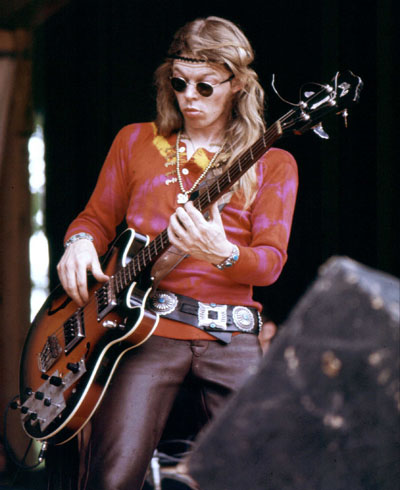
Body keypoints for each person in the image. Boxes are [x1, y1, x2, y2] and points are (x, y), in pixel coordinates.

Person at [56, 16, 298, 490]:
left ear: (237, 85)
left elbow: (269, 264)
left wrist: (223, 253)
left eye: (205, 87)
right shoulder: (135, 141)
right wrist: (78, 242)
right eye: (179, 82)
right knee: (111, 477)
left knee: (271, 471)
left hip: (229, 332)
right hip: (144, 332)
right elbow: (95, 219)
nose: (189, 96)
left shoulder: (273, 162)